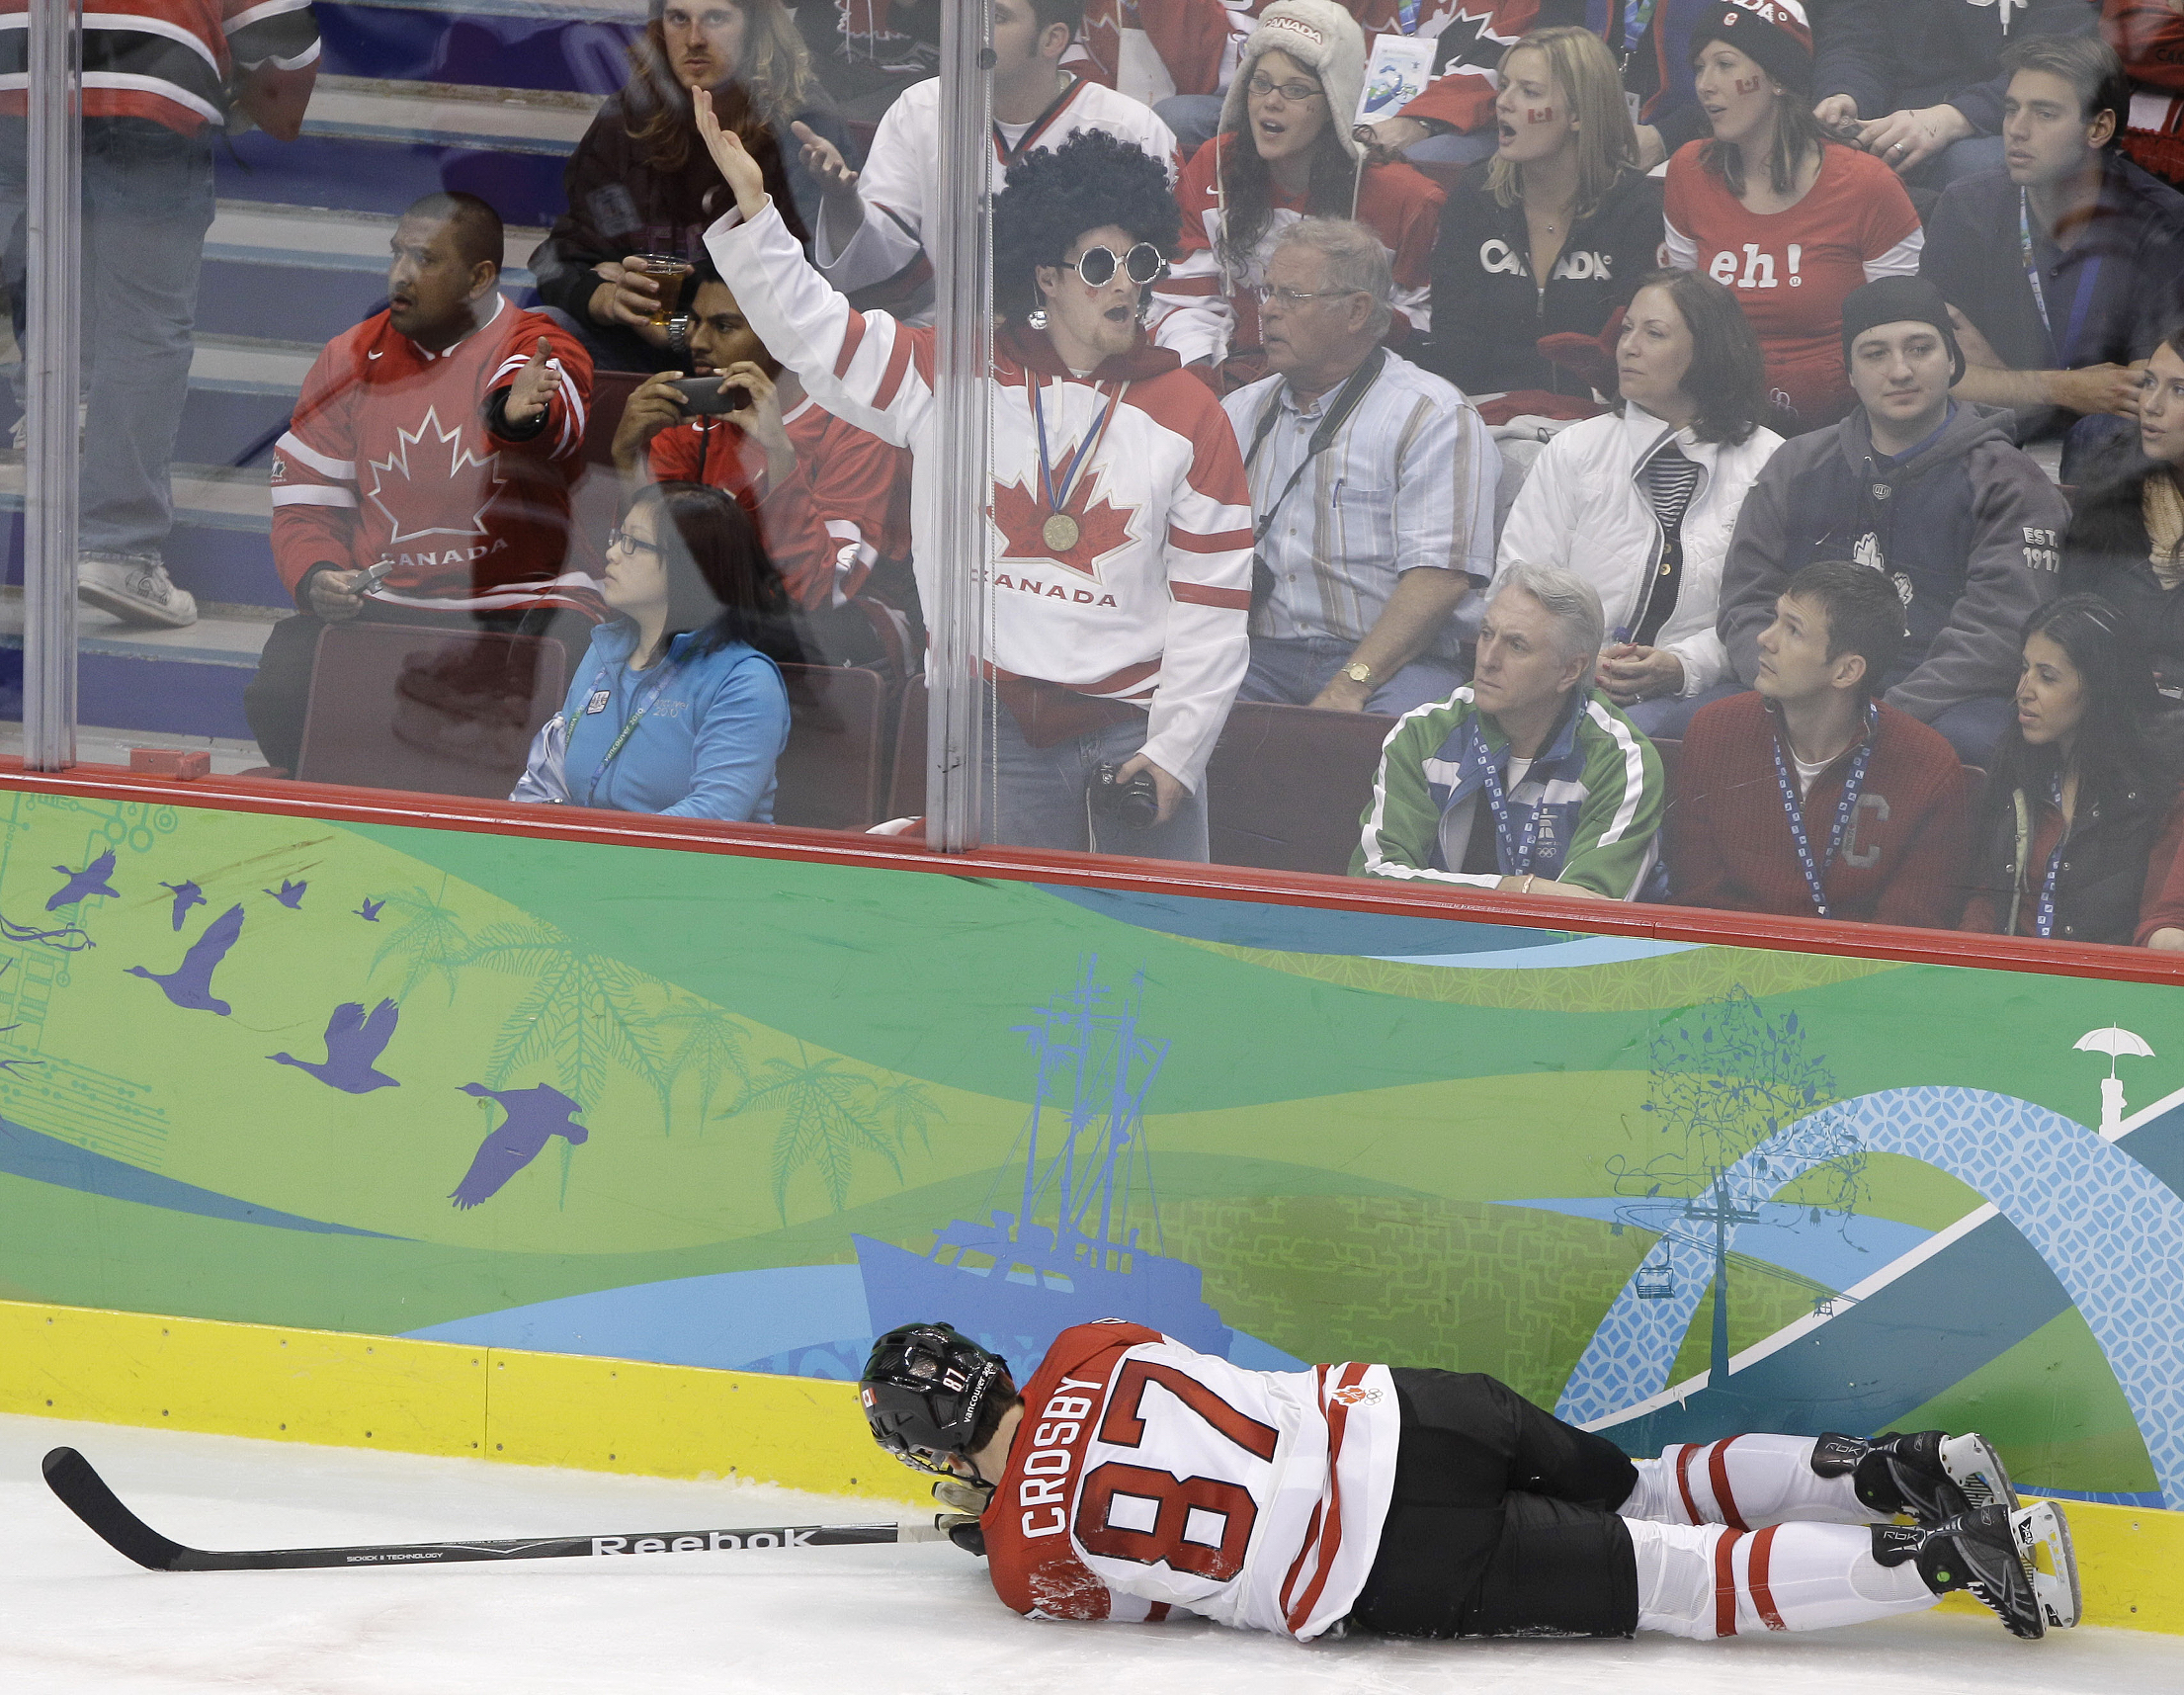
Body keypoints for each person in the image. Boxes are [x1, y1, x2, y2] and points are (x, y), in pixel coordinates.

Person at [699, 120, 1253, 861]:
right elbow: (815, 334)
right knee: (1005, 930)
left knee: (1153, 935)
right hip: (992, 729)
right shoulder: (950, 374)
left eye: (1140, 262)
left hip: (1134, 733)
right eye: (1099, 265)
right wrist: (757, 215)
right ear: (1046, 277)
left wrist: (1176, 753)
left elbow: (1214, 609)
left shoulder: (1194, 414)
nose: (1126, 283)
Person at [857, 1319, 2076, 1646]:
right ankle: (1901, 1468)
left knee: (1680, 1582)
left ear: (932, 1449)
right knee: (1647, 1488)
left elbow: (1144, 1598)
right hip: (1420, 1412)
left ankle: (1953, 1555)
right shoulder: (1087, 1343)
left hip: (1386, 1563)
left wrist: (997, 1525)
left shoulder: (1022, 1563)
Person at [252, 193, 598, 778]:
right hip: (387, 601)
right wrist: (318, 576)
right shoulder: (349, 356)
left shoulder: (536, 344)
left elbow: (545, 399)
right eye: (397, 254)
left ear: (479, 278)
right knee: (284, 682)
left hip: (519, 605)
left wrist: (516, 418)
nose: (401, 274)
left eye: (425, 259)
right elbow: (305, 506)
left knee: (584, 674)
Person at [0, 0, 319, 629]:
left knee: (38, 252)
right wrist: (264, 108)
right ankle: (117, 550)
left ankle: (63, 404)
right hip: (155, 78)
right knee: (146, 324)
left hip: (16, 69)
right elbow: (282, 34)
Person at [1718, 276, 2067, 765]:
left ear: (1952, 361)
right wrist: (1786, 686)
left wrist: (1876, 717)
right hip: (1802, 690)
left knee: (1981, 745)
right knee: (1695, 725)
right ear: (1850, 372)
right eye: (1875, 354)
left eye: (1920, 349)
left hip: (1943, 703)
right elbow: (1746, 597)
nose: (1900, 371)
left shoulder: (2009, 481)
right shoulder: (1796, 464)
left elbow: (1997, 632)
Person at [1222, 218, 1493, 717]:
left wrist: (1352, 683)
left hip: (1397, 662)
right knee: (1181, 711)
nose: (1268, 309)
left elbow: (1439, 579)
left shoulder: (1432, 415)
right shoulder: (1238, 413)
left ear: (1356, 311)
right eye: (1268, 291)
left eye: (1292, 296)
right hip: (1258, 653)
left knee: (1398, 733)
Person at [1497, 269, 1781, 738]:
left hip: (1701, 692)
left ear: (1708, 351)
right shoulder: (1575, 449)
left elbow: (1774, 611)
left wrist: (1685, 666)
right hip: (1564, 678)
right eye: (1627, 329)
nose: (1628, 346)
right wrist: (1578, 661)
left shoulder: (1771, 462)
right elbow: (1518, 581)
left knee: (1636, 734)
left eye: (1654, 333)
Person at [795, 0, 1179, 324]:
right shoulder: (920, 107)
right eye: (968, 12)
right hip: (943, 348)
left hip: (1084, 355)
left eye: (996, 17)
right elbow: (875, 272)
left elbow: (1166, 281)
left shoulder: (1132, 127)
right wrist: (844, 202)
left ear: (1052, 39)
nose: (972, 29)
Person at [528, 0, 851, 373]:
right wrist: (604, 297)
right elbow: (558, 257)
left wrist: (682, 328)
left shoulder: (800, 125)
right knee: (543, 332)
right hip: (643, 345)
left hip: (763, 359)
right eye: (679, 18)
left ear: (755, 27)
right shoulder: (629, 118)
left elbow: (813, 287)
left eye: (716, 18)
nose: (694, 39)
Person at [1919, 35, 2184, 471]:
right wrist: (2062, 389)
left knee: (2102, 435)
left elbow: (2146, 390)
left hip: (2108, 450)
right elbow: (1934, 373)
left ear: (2098, 128)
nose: (2016, 129)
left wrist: (2000, 381)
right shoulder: (1966, 207)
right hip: (1992, 438)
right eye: (2011, 109)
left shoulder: (2162, 222)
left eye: (2044, 113)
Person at [1662, 0, 1923, 433]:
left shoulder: (1867, 185)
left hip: (1839, 430)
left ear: (1779, 78)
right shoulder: (1689, 171)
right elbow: (1685, 318)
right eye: (1699, 68)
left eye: (1725, 65)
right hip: (1719, 422)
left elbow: (1906, 337)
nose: (1705, 85)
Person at [1153, 1, 1446, 385]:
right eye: (1260, 83)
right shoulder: (1215, 165)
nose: (1271, 101)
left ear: (1334, 103)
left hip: (1351, 389)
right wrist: (1204, 378)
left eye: (1296, 89)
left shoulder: (1408, 197)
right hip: (1229, 380)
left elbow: (1420, 330)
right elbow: (1184, 300)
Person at [609, 253, 910, 620]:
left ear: (784, 335)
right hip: (726, 620)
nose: (697, 341)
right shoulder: (691, 420)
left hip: (842, 631)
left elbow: (818, 593)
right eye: (695, 321)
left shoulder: (858, 427)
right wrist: (627, 457)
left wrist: (778, 454)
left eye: (723, 326)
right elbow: (654, 567)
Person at [1670, 560, 1970, 927]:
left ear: (1846, 671)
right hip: (1733, 958)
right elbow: (1697, 901)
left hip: (1857, 962)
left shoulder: (1928, 767)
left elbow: (1908, 928)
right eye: (1775, 618)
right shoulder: (1715, 733)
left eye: (1794, 630)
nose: (1765, 638)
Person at [1353, 561, 1666, 898]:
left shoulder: (1620, 761)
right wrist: (1517, 889)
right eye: (1487, 634)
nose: (1488, 659)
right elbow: (1373, 879)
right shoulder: (1424, 733)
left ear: (1570, 671)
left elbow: (1590, 912)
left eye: (1516, 645)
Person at [512, 482, 795, 821]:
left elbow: (715, 816)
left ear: (690, 566)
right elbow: (545, 780)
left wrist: (596, 845)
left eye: (633, 543)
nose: (612, 553)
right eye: (618, 537)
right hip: (585, 851)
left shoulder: (744, 681)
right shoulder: (604, 653)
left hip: (677, 857)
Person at [1419, 25, 1668, 404]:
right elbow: (1452, 338)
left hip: (1595, 417)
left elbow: (1634, 354)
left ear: (1578, 114)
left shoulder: (1634, 207)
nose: (1504, 102)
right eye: (1505, 86)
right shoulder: (1475, 195)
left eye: (1529, 91)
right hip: (1484, 410)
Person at [1962, 595, 2184, 945]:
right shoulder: (2016, 764)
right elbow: (1986, 899)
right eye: (2024, 668)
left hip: (2105, 976)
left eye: (2047, 677)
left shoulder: (2159, 791)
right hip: (2009, 972)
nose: (2023, 691)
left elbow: (2159, 926)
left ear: (2100, 687)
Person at [1810, 0, 2101, 188]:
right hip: (1888, 117)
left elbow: (2055, 60)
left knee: (1980, 170)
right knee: (1815, 154)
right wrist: (1844, 94)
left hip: (1996, 124)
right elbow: (1854, 41)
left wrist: (1952, 117)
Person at [2063, 326, 2184, 696]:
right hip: (2123, 705)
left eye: (2179, 390)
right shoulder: (2110, 488)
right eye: (2149, 383)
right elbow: (2074, 620)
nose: (2151, 405)